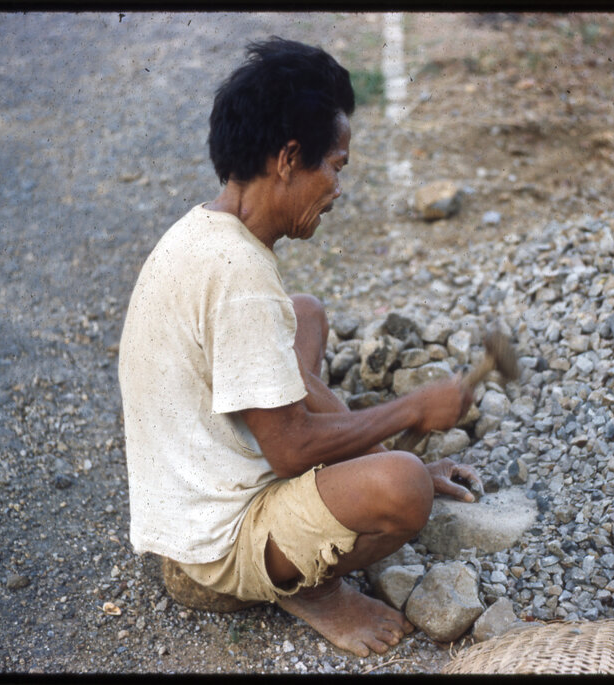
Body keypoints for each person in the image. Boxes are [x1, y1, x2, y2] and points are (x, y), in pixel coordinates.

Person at [118, 37, 482, 658]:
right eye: (335, 166)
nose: (337, 187)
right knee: (403, 487)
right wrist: (411, 412)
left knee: (305, 315)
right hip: (217, 543)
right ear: (288, 158)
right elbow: (290, 450)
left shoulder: (205, 229)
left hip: (186, 499)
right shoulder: (240, 277)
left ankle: (352, 486)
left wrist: (371, 444)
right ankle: (312, 589)